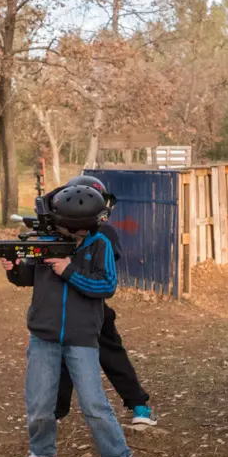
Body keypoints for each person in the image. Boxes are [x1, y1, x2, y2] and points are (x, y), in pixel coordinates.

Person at [1, 181, 134, 457]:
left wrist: (68, 269)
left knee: (94, 405)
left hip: (82, 337)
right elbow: (26, 279)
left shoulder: (101, 244)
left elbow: (107, 287)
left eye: (81, 230)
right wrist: (12, 267)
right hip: (43, 336)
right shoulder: (44, 241)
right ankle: (42, 452)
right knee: (38, 404)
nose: (77, 235)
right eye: (72, 230)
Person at [54, 174, 156, 427]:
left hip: (95, 308)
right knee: (62, 360)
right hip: (63, 308)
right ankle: (54, 413)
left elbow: (112, 256)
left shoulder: (104, 233)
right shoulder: (57, 232)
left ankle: (138, 405)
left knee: (113, 356)